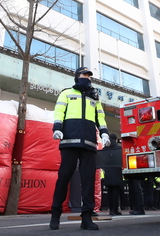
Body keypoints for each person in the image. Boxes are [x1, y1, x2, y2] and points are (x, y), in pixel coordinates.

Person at [50, 67, 110, 231]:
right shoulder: (66, 93)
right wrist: (57, 128)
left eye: (89, 76)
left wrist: (104, 133)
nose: (87, 78)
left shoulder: (94, 97)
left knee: (88, 182)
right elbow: (59, 111)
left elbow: (101, 117)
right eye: (84, 75)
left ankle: (86, 218)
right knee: (63, 178)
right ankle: (55, 215)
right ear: (77, 77)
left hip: (89, 144)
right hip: (69, 141)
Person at [100, 134, 123, 216]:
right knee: (116, 192)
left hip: (108, 173)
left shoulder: (105, 149)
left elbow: (101, 161)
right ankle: (115, 210)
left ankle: (111, 210)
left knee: (110, 192)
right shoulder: (119, 148)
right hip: (117, 172)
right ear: (116, 140)